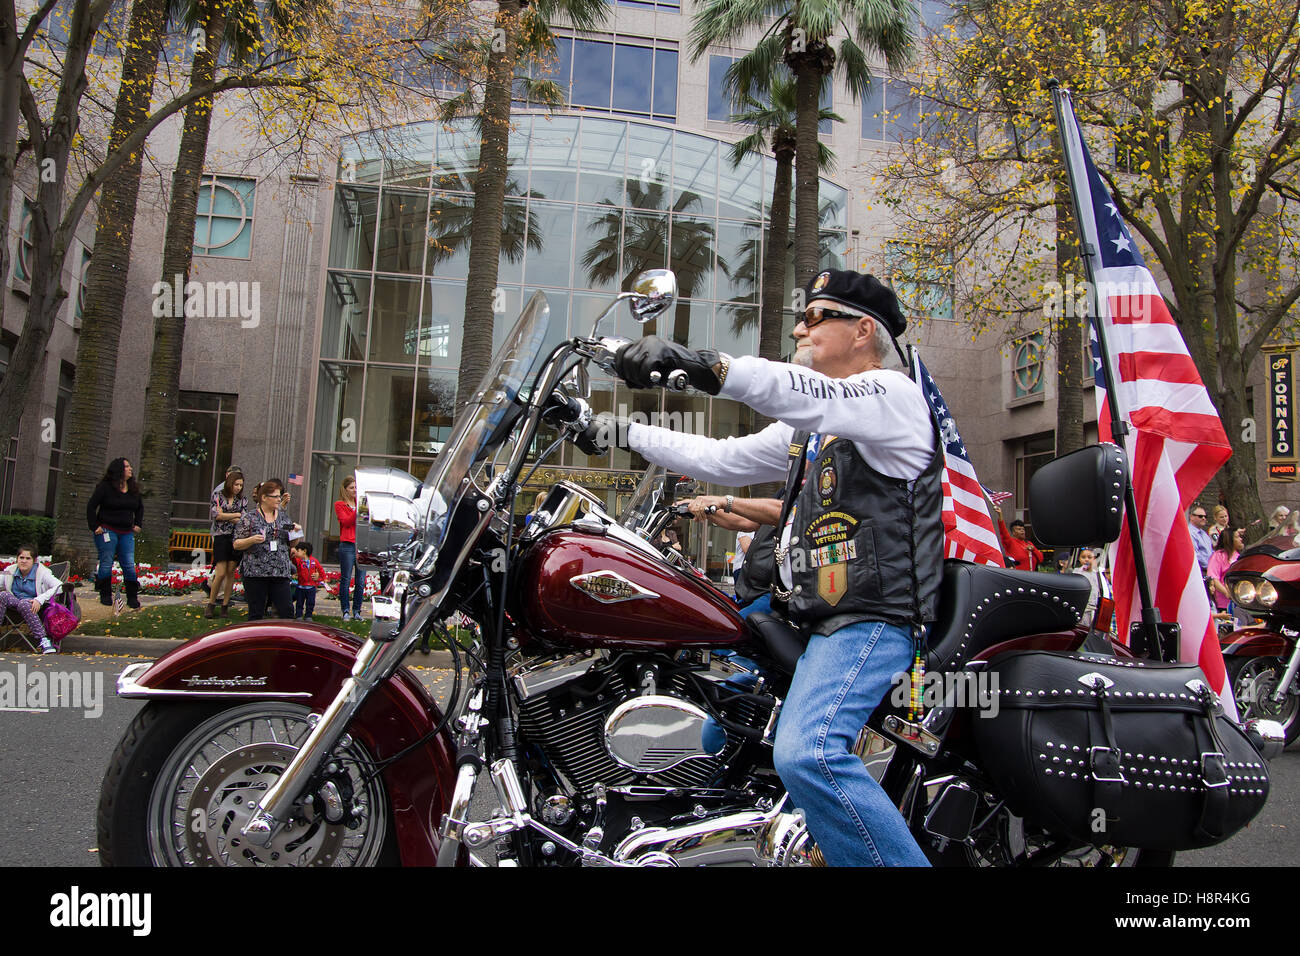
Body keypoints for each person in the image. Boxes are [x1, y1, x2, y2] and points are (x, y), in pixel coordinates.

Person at [601, 268, 942, 866]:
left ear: (864, 330)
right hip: (815, 616)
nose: (802, 328)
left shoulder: (893, 396)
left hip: (871, 620)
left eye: (817, 317)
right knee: (722, 703)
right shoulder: (814, 432)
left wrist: (707, 366)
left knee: (809, 752)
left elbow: (802, 392)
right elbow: (723, 457)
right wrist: (612, 428)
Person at [233, 479, 301, 621]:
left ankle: (285, 640)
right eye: (275, 496)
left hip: (280, 571)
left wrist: (297, 532)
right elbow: (236, 543)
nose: (279, 500)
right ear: (264, 498)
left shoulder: (283, 518)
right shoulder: (250, 518)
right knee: (256, 612)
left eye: (279, 496)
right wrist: (251, 540)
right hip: (256, 572)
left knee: (287, 611)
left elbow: (292, 543)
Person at [86, 457, 143, 609]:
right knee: (106, 562)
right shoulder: (105, 487)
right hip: (107, 529)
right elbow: (91, 506)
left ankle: (132, 597)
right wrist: (95, 526)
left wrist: (137, 523)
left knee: (129, 564)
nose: (130, 469)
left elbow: (139, 508)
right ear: (119, 470)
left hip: (126, 532)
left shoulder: (133, 488)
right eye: (127, 467)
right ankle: (105, 594)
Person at [0, 545, 65, 653]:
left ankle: (44, 640)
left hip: (34, 605)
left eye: (28, 558)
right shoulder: (10, 570)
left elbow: (60, 586)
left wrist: (40, 599)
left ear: (34, 561)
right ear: (17, 559)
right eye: (21, 558)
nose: (24, 561)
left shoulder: (43, 572)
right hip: (15, 603)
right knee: (2, 595)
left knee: (24, 604)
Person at [205, 468, 247, 618]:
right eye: (236, 484)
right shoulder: (218, 496)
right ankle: (211, 603)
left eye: (241, 485)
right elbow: (217, 516)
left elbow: (242, 519)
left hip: (236, 537)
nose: (238, 488)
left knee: (231, 572)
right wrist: (234, 515)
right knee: (220, 572)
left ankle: (225, 605)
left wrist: (227, 515)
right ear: (230, 484)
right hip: (221, 536)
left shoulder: (242, 500)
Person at [335, 476, 367, 621]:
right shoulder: (340, 504)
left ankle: (357, 611)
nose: (354, 490)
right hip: (347, 545)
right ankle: (346, 610)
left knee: (361, 581)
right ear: (345, 489)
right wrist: (358, 509)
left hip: (361, 545)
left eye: (356, 487)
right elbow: (347, 522)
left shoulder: (361, 505)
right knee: (346, 579)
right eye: (351, 488)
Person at [1206, 524, 1244, 614]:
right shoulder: (1218, 555)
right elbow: (1213, 578)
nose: (1241, 539)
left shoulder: (1239, 556)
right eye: (1238, 537)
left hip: (1240, 602)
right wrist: (1227, 592)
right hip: (1224, 603)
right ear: (1230, 540)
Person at [994, 506, 1044, 571]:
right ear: (1013, 533)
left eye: (1023, 529)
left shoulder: (1029, 543)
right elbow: (1003, 532)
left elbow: (1041, 559)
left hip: (1031, 576)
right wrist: (1000, 515)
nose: (1022, 531)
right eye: (1019, 529)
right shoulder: (1010, 542)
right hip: (1017, 576)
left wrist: (1034, 549)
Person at [1071, 547, 1108, 629]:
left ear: (1094, 558)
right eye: (1083, 557)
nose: (1086, 560)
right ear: (1079, 559)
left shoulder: (1097, 574)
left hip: (1094, 609)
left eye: (1089, 557)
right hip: (1082, 609)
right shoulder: (1076, 572)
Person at [291, 542, 324, 620]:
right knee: (299, 602)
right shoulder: (299, 561)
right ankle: (299, 615)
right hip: (300, 587)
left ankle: (308, 616)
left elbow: (322, 573)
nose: (297, 552)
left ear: (304, 551)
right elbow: (293, 560)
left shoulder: (314, 561)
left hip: (311, 587)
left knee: (310, 603)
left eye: (298, 551)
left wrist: (318, 577)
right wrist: (292, 554)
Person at [1188, 504, 1213, 576]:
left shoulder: (1204, 534)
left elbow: (1210, 552)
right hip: (1199, 572)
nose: (1204, 518)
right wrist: (1209, 567)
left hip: (1209, 571)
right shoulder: (1190, 533)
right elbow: (1195, 555)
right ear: (1191, 517)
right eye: (1200, 516)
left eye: (1205, 516)